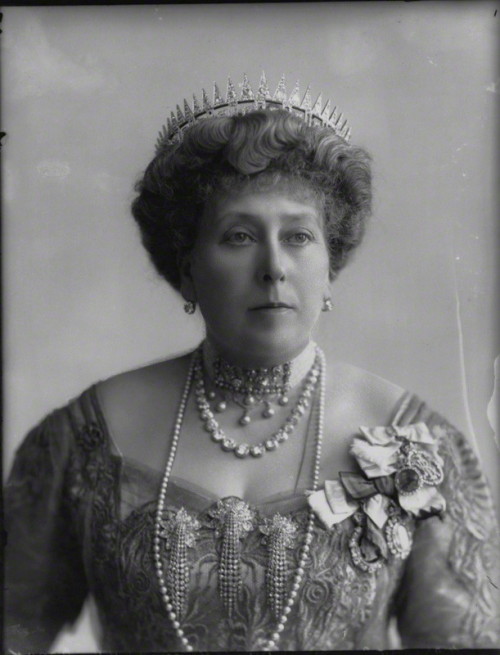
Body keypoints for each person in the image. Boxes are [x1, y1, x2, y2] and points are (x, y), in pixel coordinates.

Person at [4, 73, 499, 652]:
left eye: (298, 236)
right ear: (187, 267)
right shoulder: (81, 440)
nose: (273, 267)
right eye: (239, 236)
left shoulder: (419, 445)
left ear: (329, 263)